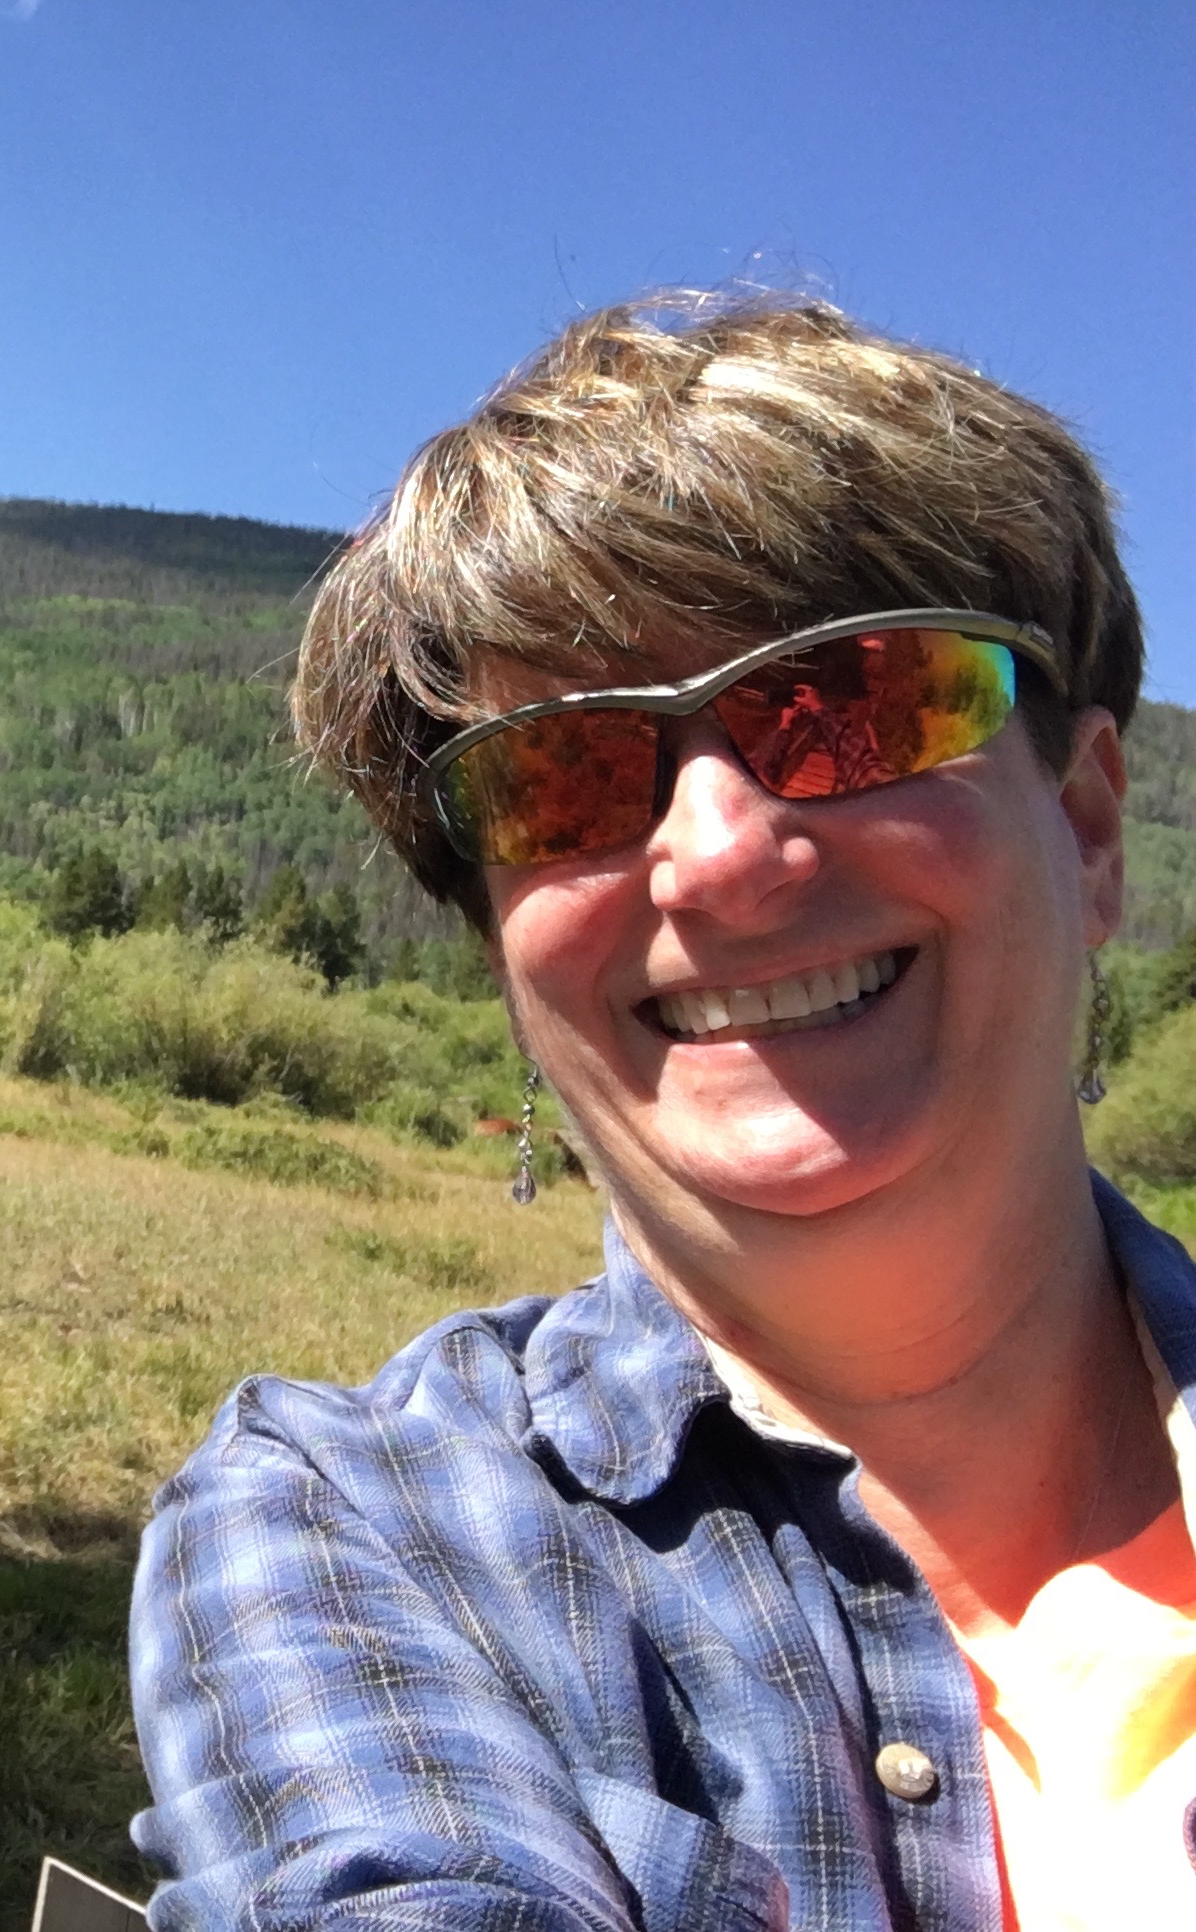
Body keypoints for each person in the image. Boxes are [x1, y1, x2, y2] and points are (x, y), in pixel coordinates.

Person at [129, 293, 1185, 1930]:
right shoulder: (361, 1529)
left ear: (1092, 827)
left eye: (854, 703)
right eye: (562, 774)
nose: (717, 854)